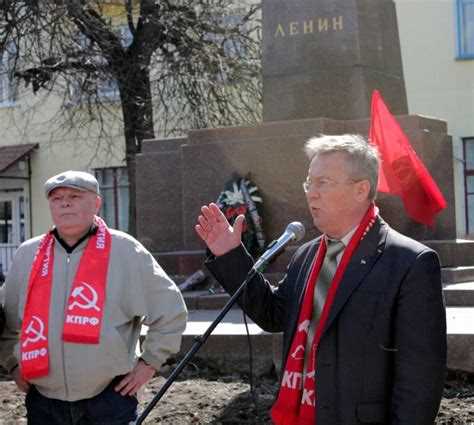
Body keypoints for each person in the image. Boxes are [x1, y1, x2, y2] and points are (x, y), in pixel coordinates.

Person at [195, 134, 447, 425]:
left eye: (323, 183)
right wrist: (231, 257)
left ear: (361, 190)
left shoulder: (409, 263)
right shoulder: (306, 255)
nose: (311, 193)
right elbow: (274, 315)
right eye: (309, 183)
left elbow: (420, 379)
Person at [0, 170, 187, 425]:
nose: (65, 202)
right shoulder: (27, 255)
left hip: (110, 401)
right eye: (57, 198)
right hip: (43, 401)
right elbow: (9, 322)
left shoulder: (125, 250)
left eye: (74, 196)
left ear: (96, 203)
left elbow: (171, 311)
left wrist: (149, 363)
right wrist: (13, 365)